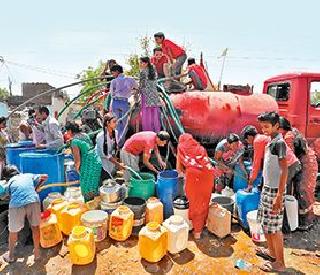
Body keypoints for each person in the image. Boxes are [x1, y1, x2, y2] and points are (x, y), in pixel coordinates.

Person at [256, 111, 287, 272]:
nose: (264, 129)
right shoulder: (271, 141)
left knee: (275, 229)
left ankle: (280, 263)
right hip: (267, 189)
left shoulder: (279, 143)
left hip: (275, 191)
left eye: (267, 126)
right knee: (266, 224)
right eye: (262, 127)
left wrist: (279, 196)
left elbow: (284, 170)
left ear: (276, 126)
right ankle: (272, 253)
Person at [0, 165, 48, 263]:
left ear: (6, 177)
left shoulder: (9, 182)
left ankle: (11, 256)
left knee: (13, 231)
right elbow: (45, 176)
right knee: (35, 228)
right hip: (33, 200)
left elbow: (3, 197)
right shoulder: (28, 175)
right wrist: (36, 188)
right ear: (18, 171)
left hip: (17, 205)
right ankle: (37, 254)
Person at [279, 117, 317, 228]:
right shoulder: (292, 132)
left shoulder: (288, 137)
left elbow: (290, 159)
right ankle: (301, 218)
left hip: (307, 164)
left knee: (303, 190)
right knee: (300, 190)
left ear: (281, 128)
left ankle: (308, 220)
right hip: (306, 162)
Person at [176, 133, 215, 239]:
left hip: (194, 176)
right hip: (209, 175)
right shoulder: (200, 148)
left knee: (195, 203)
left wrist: (185, 175)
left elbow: (179, 169)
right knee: (204, 201)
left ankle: (197, 232)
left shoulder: (181, 147)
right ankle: (203, 225)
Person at [66, 122, 102, 202]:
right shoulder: (85, 135)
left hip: (88, 164)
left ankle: (90, 207)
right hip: (96, 160)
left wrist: (78, 170)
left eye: (67, 131)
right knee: (95, 185)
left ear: (70, 131)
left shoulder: (74, 142)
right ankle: (97, 205)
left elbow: (77, 160)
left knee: (87, 187)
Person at [109, 64, 137, 146]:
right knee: (125, 123)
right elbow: (137, 87)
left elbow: (112, 94)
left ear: (117, 72)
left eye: (113, 73)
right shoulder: (131, 79)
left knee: (116, 123)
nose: (113, 75)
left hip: (115, 102)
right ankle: (122, 141)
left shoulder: (113, 81)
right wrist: (130, 92)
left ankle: (118, 143)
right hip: (125, 102)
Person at [96, 114, 125, 181]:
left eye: (116, 121)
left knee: (110, 179)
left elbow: (115, 146)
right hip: (101, 162)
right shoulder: (101, 136)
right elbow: (105, 154)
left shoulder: (116, 133)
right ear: (107, 123)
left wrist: (116, 159)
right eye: (114, 122)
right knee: (105, 181)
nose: (116, 123)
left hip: (110, 161)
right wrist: (117, 164)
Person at [139, 56, 162, 132]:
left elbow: (142, 85)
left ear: (146, 63)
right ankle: (157, 130)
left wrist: (137, 90)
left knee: (146, 115)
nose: (140, 64)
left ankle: (148, 131)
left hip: (146, 95)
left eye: (141, 62)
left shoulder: (143, 72)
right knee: (155, 114)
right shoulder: (153, 71)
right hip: (154, 94)